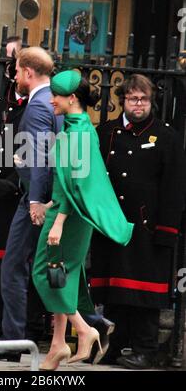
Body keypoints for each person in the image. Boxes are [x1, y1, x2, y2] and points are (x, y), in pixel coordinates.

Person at [32, 70, 134, 370]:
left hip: (69, 216)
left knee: (44, 273)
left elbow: (79, 182)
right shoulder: (79, 127)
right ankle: (58, 345)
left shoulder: (77, 132)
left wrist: (59, 219)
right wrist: (54, 203)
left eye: (56, 96)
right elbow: (70, 179)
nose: (51, 100)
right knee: (62, 274)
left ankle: (86, 328)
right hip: (67, 210)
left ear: (72, 98)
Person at [0, 47, 63, 362]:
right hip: (50, 197)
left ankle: (12, 343)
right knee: (43, 269)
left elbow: (39, 159)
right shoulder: (56, 101)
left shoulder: (38, 106)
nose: (16, 77)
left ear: (27, 72)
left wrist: (36, 198)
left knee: (12, 269)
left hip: (34, 199)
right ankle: (87, 323)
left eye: (18, 70)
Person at [90, 74, 186, 369]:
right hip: (112, 225)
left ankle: (145, 348)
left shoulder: (166, 136)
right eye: (133, 98)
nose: (138, 104)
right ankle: (117, 345)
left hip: (147, 228)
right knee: (115, 290)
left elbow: (174, 187)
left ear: (151, 101)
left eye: (143, 99)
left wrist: (167, 231)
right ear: (123, 101)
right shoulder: (105, 132)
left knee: (145, 294)